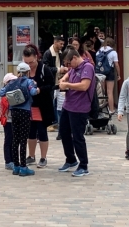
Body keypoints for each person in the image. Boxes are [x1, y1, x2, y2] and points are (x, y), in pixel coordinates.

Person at [57, 47, 93, 177]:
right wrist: (63, 80)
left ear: (75, 58)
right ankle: (71, 159)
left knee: (78, 137)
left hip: (80, 107)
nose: (68, 66)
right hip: (68, 105)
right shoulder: (74, 68)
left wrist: (67, 85)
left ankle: (83, 165)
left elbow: (84, 86)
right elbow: (67, 74)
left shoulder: (87, 67)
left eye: (68, 63)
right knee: (64, 132)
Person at [1, 61, 39, 176]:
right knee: (23, 140)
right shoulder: (29, 81)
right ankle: (23, 167)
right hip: (25, 112)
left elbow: (1, 92)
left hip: (14, 112)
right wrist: (37, 88)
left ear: (18, 72)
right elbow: (33, 92)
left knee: (15, 140)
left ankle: (16, 166)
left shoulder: (12, 82)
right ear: (28, 72)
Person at [23, 44, 55, 167]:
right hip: (28, 106)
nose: (29, 65)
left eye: (31, 62)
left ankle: (43, 157)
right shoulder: (23, 70)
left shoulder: (44, 69)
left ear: (36, 57)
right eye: (27, 62)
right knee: (30, 132)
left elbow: (51, 85)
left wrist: (39, 89)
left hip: (42, 106)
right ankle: (31, 156)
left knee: (42, 131)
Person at [44, 34, 65, 132]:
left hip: (58, 81)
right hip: (52, 82)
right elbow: (46, 68)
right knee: (51, 103)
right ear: (55, 42)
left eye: (63, 44)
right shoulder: (48, 53)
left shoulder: (60, 53)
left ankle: (57, 122)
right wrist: (59, 69)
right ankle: (51, 122)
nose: (62, 46)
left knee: (58, 104)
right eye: (61, 44)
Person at [0, 72, 17, 170]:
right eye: (11, 82)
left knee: (14, 141)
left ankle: (14, 159)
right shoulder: (5, 95)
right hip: (8, 121)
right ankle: (8, 161)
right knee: (9, 140)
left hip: (15, 120)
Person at [96, 37, 121, 106]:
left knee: (102, 91)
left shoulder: (99, 51)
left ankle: (102, 107)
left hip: (100, 72)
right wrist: (119, 75)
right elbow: (116, 65)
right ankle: (111, 109)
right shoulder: (113, 52)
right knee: (110, 92)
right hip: (110, 72)